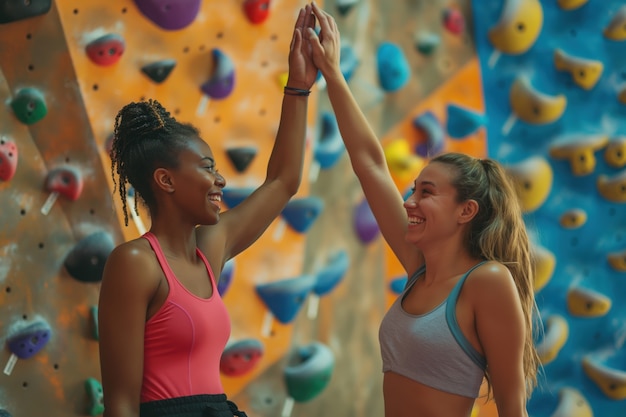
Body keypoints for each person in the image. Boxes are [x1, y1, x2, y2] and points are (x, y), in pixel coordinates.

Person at [305, 3, 540, 417]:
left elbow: (512, 407)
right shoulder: (419, 270)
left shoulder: (487, 282)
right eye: (412, 190)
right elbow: (370, 164)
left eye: (426, 192)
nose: (409, 202)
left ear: (466, 211)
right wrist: (332, 73)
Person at [97, 5, 318, 417]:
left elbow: (283, 182)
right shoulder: (134, 263)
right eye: (206, 167)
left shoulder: (208, 251)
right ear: (166, 181)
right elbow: (121, 404)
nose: (220, 181)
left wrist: (299, 85)